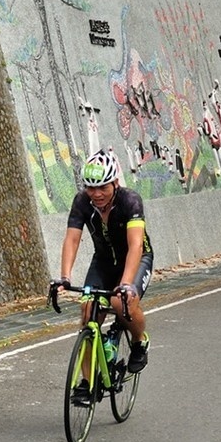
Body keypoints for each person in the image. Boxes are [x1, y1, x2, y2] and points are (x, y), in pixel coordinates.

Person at [54, 149, 153, 406]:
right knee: (88, 312)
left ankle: (140, 341)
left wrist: (126, 284)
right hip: (103, 262)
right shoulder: (82, 202)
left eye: (102, 187)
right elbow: (72, 238)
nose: (96, 194)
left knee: (122, 303)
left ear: (115, 183)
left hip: (137, 259)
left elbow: (135, 247)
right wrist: (65, 276)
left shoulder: (131, 201)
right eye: (91, 187)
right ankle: (87, 383)